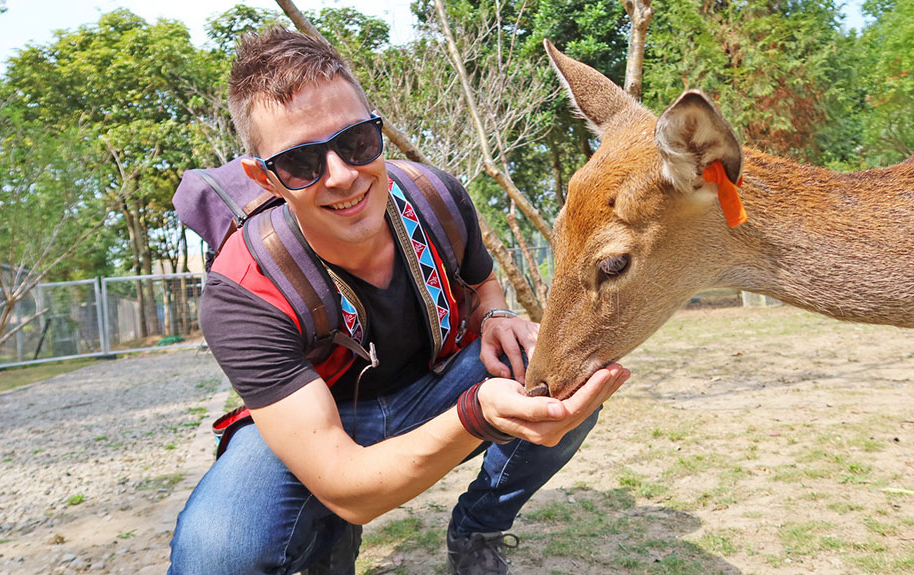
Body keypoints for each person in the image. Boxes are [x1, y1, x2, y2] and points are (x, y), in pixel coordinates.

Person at [168, 26, 629, 575]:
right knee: (216, 556)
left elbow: (480, 279)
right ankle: (327, 542)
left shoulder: (435, 197)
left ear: (378, 129)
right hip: (319, 417)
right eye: (301, 163)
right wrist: (476, 415)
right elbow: (345, 481)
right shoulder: (242, 290)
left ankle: (478, 529)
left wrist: (499, 314)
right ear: (264, 178)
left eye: (357, 141)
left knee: (562, 369)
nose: (341, 176)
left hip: (429, 388)